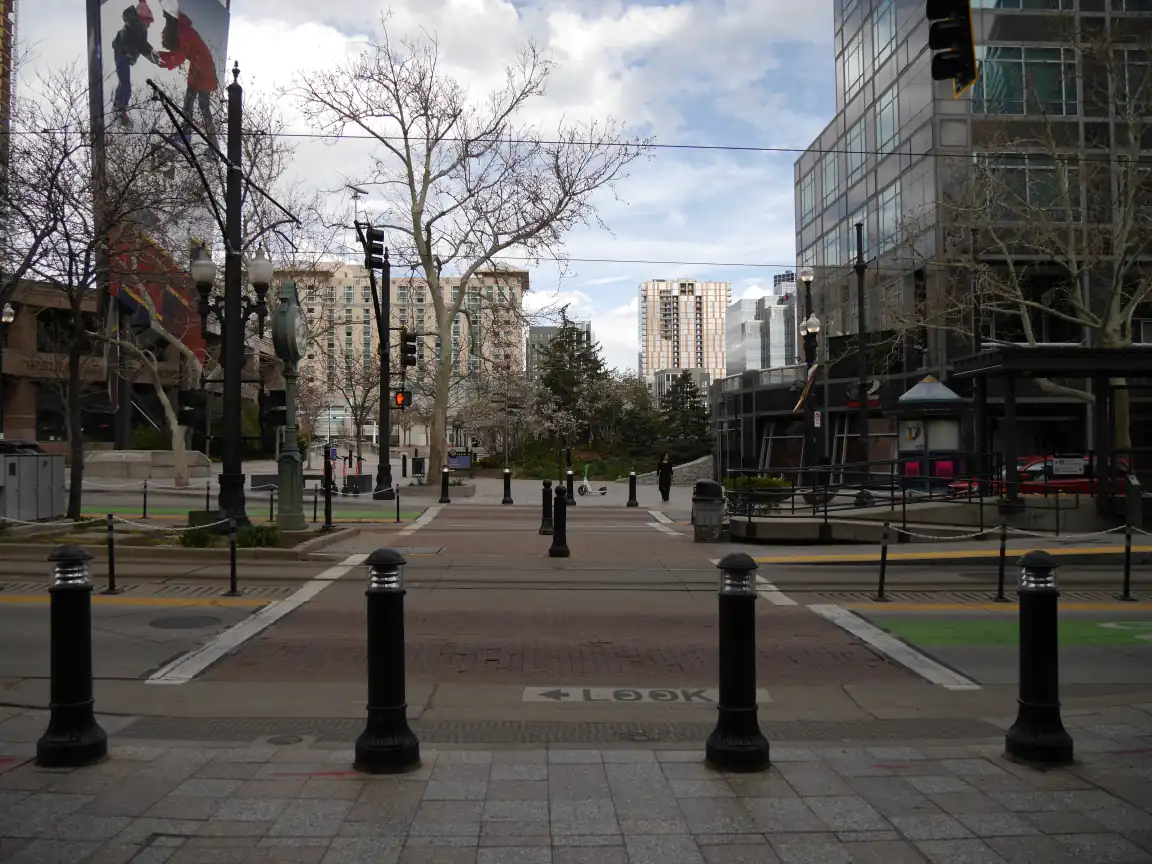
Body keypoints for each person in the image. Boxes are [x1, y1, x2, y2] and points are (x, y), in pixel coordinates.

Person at [158, 0, 219, 148]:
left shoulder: (185, 32)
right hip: (199, 69)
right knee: (191, 103)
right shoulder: (181, 28)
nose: (164, 16)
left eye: (165, 14)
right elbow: (176, 48)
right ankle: (188, 135)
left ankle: (211, 144)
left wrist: (160, 57)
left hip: (203, 71)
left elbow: (179, 56)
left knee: (203, 107)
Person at [111, 1, 159, 128]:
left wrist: (151, 52)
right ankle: (120, 111)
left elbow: (142, 45)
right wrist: (127, 51)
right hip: (122, 56)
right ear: (142, 20)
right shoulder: (133, 27)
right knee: (125, 84)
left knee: (123, 82)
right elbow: (130, 41)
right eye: (148, 22)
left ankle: (117, 106)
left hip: (124, 57)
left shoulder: (139, 29)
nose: (149, 25)